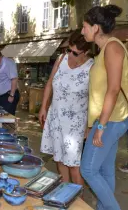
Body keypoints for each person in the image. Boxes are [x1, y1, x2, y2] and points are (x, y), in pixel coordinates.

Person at [80, 5, 128, 210]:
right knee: (105, 169)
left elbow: (114, 89)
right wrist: (92, 124)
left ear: (96, 28)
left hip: (112, 120)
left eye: (85, 27)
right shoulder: (103, 50)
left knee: (88, 170)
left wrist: (101, 126)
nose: (82, 31)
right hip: (107, 120)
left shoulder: (113, 47)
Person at [39, 29, 94, 187]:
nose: (70, 55)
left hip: (76, 122)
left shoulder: (92, 67)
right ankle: (66, 194)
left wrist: (89, 126)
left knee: (74, 165)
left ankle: (79, 201)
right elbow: (50, 83)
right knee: (59, 159)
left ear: (86, 52)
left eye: (75, 53)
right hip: (56, 116)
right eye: (69, 50)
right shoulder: (61, 59)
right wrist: (43, 107)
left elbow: (94, 98)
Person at [0, 48, 20, 115]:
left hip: (9, 95)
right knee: (2, 117)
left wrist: (11, 95)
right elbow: (0, 81)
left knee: (7, 118)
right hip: (2, 96)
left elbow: (14, 79)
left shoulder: (8, 62)